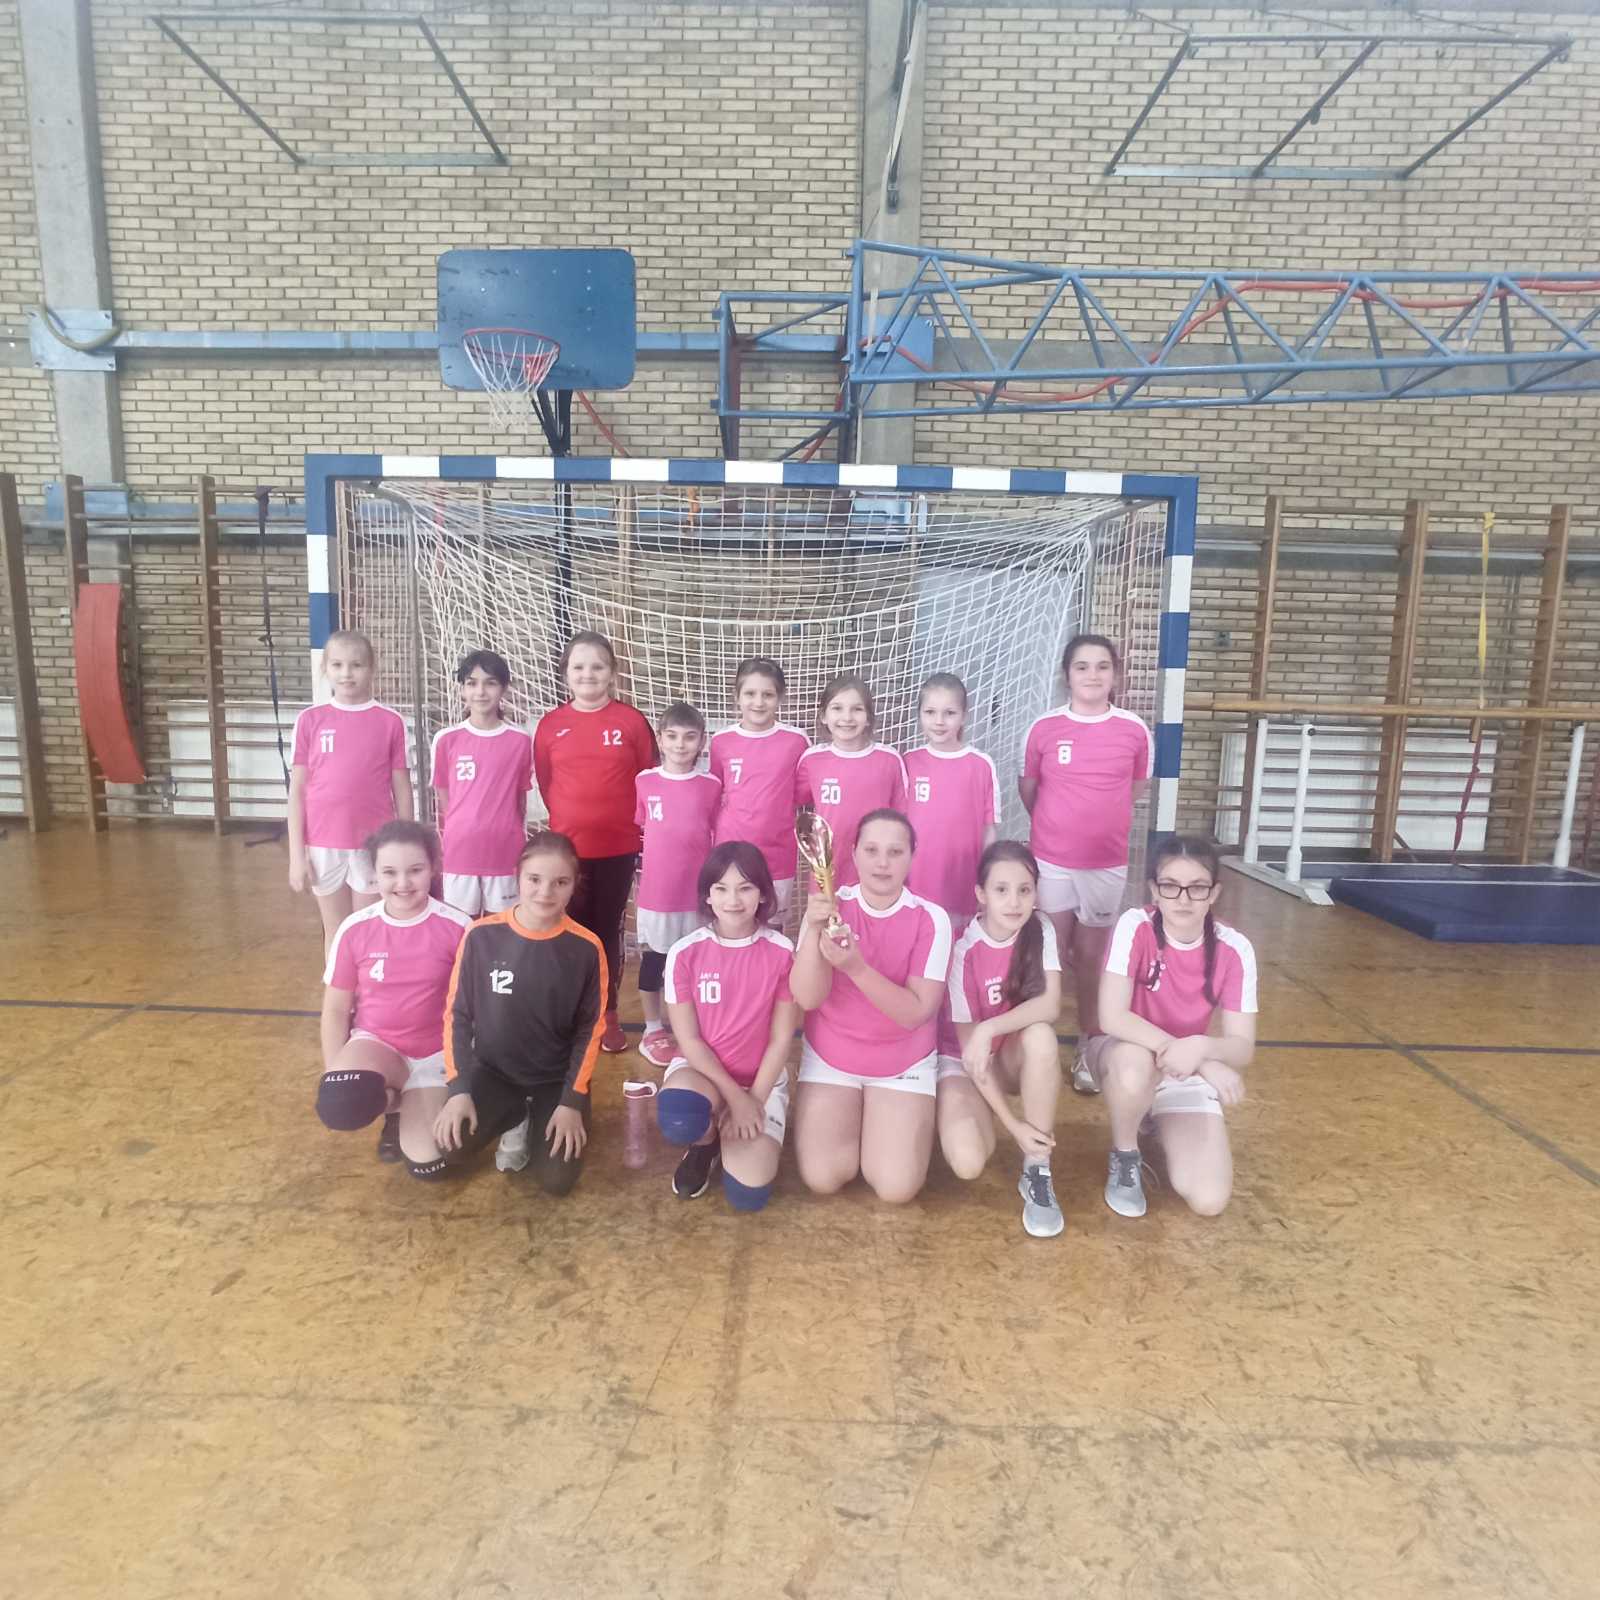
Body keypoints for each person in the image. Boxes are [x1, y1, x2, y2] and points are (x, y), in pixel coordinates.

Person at [1085, 835, 1257, 1220]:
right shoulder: (1135, 926)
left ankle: (1153, 1116)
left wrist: (1201, 1048)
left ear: (1214, 893)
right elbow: (1112, 1017)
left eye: (1197, 888)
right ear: (1154, 890)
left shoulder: (1235, 948)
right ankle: (1126, 1154)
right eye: (1170, 886)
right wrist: (1200, 1058)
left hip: (1182, 1068)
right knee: (1134, 1066)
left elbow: (1242, 1045)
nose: (1183, 898)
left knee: (1209, 1199)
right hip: (1124, 1053)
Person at [432, 831, 608, 1194]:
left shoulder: (586, 948)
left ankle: (542, 1113)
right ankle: (514, 1116)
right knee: (451, 1147)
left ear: (575, 884)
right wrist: (458, 1090)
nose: (545, 892)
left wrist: (571, 1101)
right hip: (495, 1073)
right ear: (517, 877)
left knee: (557, 1181)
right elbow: (457, 1016)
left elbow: (590, 1031)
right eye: (535, 879)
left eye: (560, 882)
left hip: (554, 1079)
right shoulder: (481, 936)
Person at [790, 809, 951, 1204]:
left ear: (912, 857)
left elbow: (916, 1013)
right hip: (831, 1059)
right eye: (872, 850)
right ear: (853, 854)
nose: (882, 863)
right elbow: (807, 998)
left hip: (903, 1063)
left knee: (896, 1188)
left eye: (895, 852)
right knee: (822, 1177)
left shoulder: (932, 919)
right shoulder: (828, 908)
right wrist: (813, 931)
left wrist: (856, 968)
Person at [1019, 633, 1152, 1091]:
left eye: (1102, 666)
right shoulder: (1044, 728)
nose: (1092, 675)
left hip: (1106, 863)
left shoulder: (1134, 730)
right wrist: (1058, 827)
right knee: (1050, 951)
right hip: (1051, 860)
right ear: (1067, 675)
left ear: (1115, 674)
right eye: (1082, 666)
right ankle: (1037, 1042)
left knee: (1092, 956)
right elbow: (1029, 790)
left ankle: (1089, 1043)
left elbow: (1134, 789)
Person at [315, 821, 473, 1176]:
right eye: (390, 872)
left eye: (415, 870)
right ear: (375, 873)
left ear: (433, 868)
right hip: (378, 1045)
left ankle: (413, 1104)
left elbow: (473, 1010)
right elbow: (336, 1009)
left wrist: (465, 1079)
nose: (403, 883)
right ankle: (389, 1105)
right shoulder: (355, 928)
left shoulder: (458, 927)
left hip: (436, 1053)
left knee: (431, 1166)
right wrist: (339, 1077)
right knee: (338, 1102)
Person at [657, 842, 801, 1210]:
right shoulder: (685, 953)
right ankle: (705, 1141)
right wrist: (736, 1099)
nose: (733, 900)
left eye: (745, 888)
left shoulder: (783, 952)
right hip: (702, 1073)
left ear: (763, 893)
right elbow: (689, 1040)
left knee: (748, 1196)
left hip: (760, 1081)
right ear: (707, 895)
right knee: (678, 1116)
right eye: (721, 888)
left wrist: (754, 1100)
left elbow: (781, 1039)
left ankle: (738, 1132)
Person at [532, 631, 657, 1053]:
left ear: (612, 673)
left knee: (605, 933)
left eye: (598, 666)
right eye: (579, 666)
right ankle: (566, 1014)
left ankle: (607, 1014)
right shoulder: (551, 725)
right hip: (567, 853)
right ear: (566, 673)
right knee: (566, 930)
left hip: (619, 848)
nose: (589, 674)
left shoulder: (631, 722)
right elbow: (547, 783)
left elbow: (648, 780)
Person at [935, 842, 1065, 1238]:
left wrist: (990, 1028)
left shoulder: (1040, 929)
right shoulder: (964, 950)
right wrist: (1013, 1125)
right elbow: (971, 1055)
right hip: (966, 1063)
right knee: (968, 1162)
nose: (1014, 902)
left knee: (1041, 1037)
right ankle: (964, 1115)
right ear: (981, 894)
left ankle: (1037, 1166)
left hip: (1006, 1054)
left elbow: (1050, 1005)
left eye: (1025, 890)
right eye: (1001, 890)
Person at [288, 629, 413, 950]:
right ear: (325, 668)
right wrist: (296, 856)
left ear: (371, 668)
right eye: (337, 665)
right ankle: (337, 984)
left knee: (368, 931)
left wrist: (405, 844)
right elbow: (297, 793)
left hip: (373, 844)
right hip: (323, 844)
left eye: (356, 665)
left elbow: (402, 789)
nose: (346, 673)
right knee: (336, 932)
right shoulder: (310, 720)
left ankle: (369, 985)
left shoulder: (390, 722)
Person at [634, 701, 722, 1068]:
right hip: (658, 894)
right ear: (660, 739)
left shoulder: (711, 785)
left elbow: (715, 831)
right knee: (656, 960)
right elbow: (644, 828)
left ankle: (690, 1030)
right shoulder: (645, 781)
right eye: (672, 736)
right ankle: (652, 1029)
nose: (680, 744)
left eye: (689, 737)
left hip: (697, 894)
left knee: (694, 963)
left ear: (702, 741)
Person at [429, 648, 534, 917]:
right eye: (472, 683)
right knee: (461, 926)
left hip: (504, 851)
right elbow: (445, 797)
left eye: (490, 683)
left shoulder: (520, 740)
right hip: (460, 851)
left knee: (501, 926)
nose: (480, 692)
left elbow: (520, 799)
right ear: (462, 689)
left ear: (504, 689)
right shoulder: (446, 739)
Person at [709, 656, 810, 920]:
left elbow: (801, 795)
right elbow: (716, 792)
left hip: (777, 853)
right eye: (750, 693)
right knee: (732, 922)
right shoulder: (721, 741)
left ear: (780, 698)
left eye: (768, 694)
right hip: (731, 849)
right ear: (737, 696)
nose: (759, 702)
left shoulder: (797, 741)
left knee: (771, 926)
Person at [904, 672, 1000, 930]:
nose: (939, 721)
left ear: (964, 715)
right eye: (930, 712)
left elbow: (989, 831)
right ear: (920, 714)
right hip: (916, 883)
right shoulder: (908, 762)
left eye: (949, 713)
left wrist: (987, 880)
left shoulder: (981, 765)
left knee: (958, 947)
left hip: (963, 884)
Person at [794, 673, 907, 889]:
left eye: (857, 709)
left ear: (869, 718)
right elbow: (796, 801)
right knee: (825, 912)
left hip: (877, 869)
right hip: (827, 871)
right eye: (837, 708)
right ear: (823, 716)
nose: (847, 717)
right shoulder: (812, 760)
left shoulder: (890, 760)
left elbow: (904, 819)